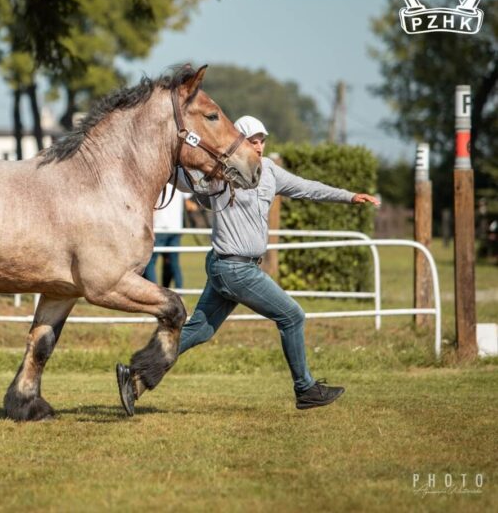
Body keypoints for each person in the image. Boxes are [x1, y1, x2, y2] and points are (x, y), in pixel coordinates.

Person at [118, 115, 379, 414]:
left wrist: (349, 197)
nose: (258, 146)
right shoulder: (218, 173)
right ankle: (305, 389)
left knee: (198, 331)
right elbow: (180, 177)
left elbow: (307, 187)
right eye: (252, 140)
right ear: (237, 141)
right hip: (234, 269)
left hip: (232, 268)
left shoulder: (269, 171)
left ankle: (136, 376)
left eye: (261, 140)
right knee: (292, 316)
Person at [144, 187, 188, 289]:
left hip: (159, 227)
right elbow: (188, 200)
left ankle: (155, 291)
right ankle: (180, 292)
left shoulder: (159, 180)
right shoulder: (179, 182)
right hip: (176, 227)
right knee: (173, 263)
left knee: (150, 262)